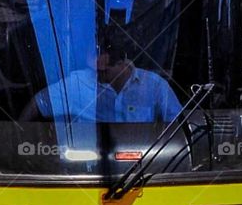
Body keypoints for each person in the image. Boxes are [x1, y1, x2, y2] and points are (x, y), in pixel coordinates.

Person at [32, 29, 181, 135]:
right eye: (96, 69)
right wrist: (17, 134)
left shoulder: (155, 86)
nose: (100, 74)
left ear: (122, 63)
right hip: (88, 167)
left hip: (145, 167)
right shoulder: (78, 83)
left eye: (105, 70)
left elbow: (178, 126)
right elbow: (39, 103)